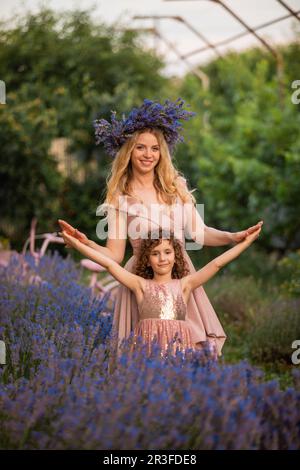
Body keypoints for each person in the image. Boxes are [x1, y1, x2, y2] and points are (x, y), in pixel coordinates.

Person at [58, 98, 263, 360]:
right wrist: (84, 242)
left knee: (189, 349)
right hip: (143, 279)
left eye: (154, 148)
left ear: (161, 152)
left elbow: (199, 234)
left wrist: (232, 237)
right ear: (128, 152)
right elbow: (114, 256)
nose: (148, 154)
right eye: (140, 148)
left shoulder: (175, 185)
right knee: (144, 354)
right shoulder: (120, 197)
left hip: (180, 274)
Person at [60, 224, 262, 361]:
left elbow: (217, 264)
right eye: (155, 254)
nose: (162, 258)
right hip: (147, 355)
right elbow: (108, 264)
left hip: (179, 353)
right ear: (147, 259)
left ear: (176, 255)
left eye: (167, 252)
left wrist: (245, 243)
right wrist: (78, 244)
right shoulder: (140, 285)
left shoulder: (185, 285)